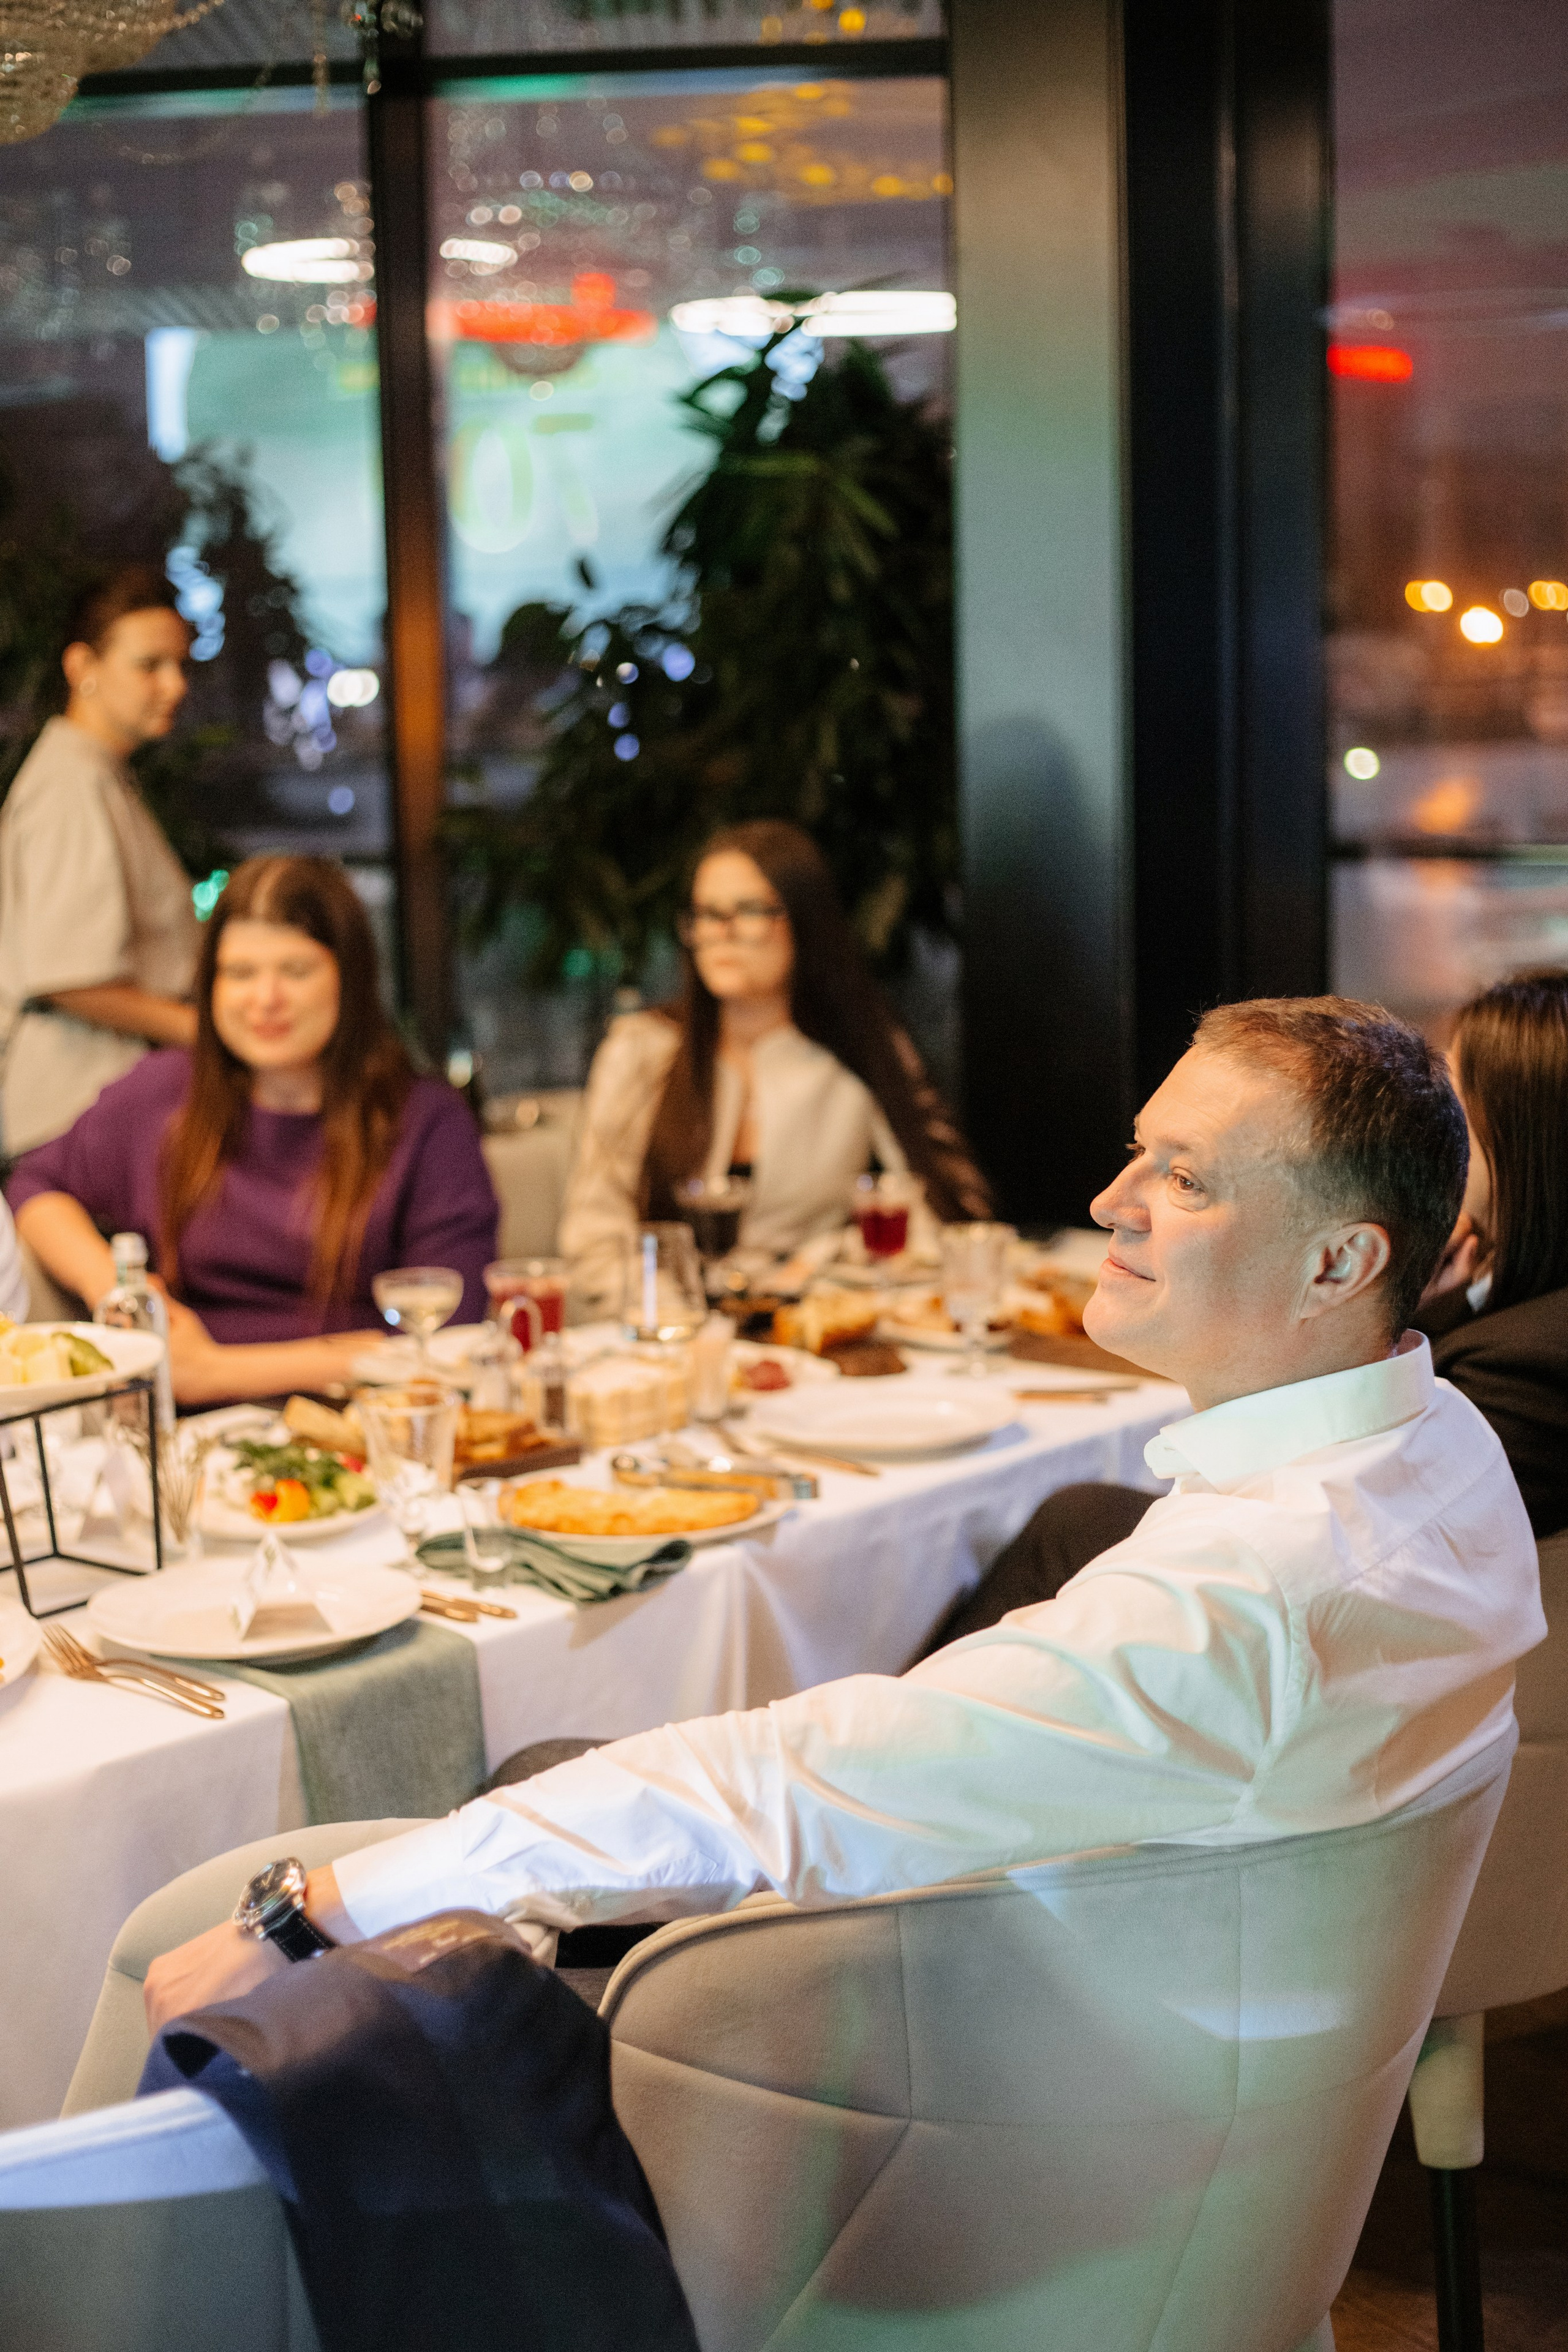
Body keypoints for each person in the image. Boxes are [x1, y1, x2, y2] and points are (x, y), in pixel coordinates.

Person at [145, 994, 1544, 2024]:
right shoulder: (1435, 1444)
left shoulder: (1240, 1594)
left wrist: (315, 1910)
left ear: (1336, 1262)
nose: (1109, 1198)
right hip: (1171, 2030)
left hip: (998, 2099)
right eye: (1138, 1150)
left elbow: (797, 1780)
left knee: (316, 1936)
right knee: (544, 1792)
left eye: (1181, 1176)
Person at [8, 855, 497, 1407]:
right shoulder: (161, 1093)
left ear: (351, 978)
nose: (265, 1000)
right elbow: (35, 1185)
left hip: (367, 1425)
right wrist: (112, 1286)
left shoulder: (427, 1121)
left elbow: (450, 1333)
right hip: (186, 1440)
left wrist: (213, 1371)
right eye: (239, 973)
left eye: (295, 971)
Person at [558, 820, 990, 1311]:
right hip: (673, 1333)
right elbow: (592, 1237)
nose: (722, 934)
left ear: (805, 923)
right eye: (705, 914)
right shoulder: (643, 1050)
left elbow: (944, 1218)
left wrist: (828, 1259)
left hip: (812, 1331)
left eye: (749, 912)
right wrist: (674, 1315)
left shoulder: (856, 1047)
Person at [0, 565, 201, 1158]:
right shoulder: (70, 783)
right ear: (81, 668)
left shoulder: (98, 774)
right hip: (77, 1115)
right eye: (149, 665)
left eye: (181, 665)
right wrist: (210, 1032)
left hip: (96, 1108)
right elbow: (70, 976)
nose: (175, 685)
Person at [1411, 967, 1568, 1537]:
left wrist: (1378, 1319)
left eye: (1451, 1110)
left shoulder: (1522, 1372)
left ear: (1523, 1137)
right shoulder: (1511, 1303)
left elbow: (1361, 1534)